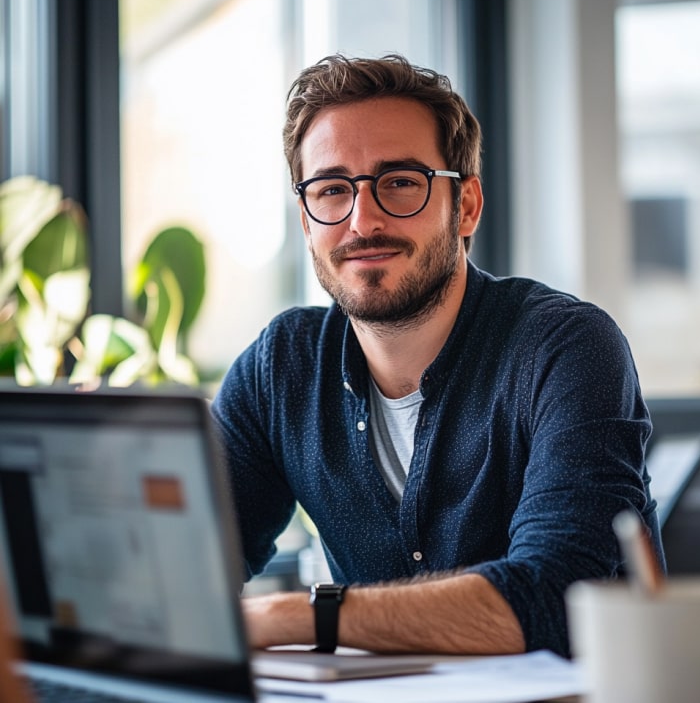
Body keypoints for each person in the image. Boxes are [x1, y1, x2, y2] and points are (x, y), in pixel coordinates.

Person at [211, 53, 665, 658]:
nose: (361, 220)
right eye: (331, 189)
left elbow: (556, 598)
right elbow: (182, 569)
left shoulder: (567, 349)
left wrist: (297, 617)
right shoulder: (282, 369)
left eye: (400, 182)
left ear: (467, 206)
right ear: (306, 219)